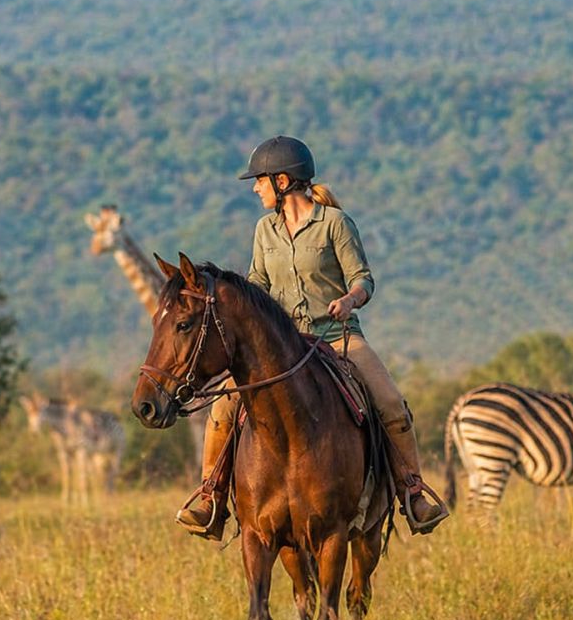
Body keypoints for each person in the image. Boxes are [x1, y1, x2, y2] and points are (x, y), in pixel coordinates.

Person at [176, 135, 448, 541]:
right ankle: (209, 496)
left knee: (389, 401)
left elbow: (363, 279)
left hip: (337, 336)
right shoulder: (264, 231)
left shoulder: (335, 224)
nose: (255, 188)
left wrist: (350, 299)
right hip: (283, 346)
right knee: (223, 409)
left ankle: (413, 492)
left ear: (283, 181)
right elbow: (257, 285)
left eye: (260, 181)